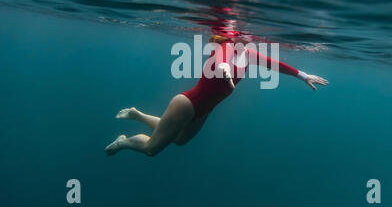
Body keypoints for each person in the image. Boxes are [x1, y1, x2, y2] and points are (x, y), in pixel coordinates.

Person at [105, 34, 328, 157]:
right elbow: (222, 59)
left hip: (204, 111)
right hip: (187, 104)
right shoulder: (226, 48)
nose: (247, 41)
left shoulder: (249, 55)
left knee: (180, 140)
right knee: (152, 149)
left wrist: (303, 75)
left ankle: (138, 115)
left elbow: (276, 64)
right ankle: (123, 142)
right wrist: (223, 69)